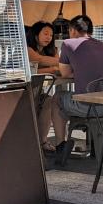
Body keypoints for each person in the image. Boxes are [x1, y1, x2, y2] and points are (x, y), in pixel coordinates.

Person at [57, 15, 103, 124]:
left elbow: (65, 74)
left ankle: (61, 140)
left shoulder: (68, 43)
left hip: (89, 106)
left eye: (69, 30)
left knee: (57, 99)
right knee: (69, 99)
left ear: (73, 30)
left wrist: (78, 71)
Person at [27, 21, 67, 152]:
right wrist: (53, 68)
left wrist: (52, 67)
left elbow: (59, 69)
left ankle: (42, 141)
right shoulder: (28, 49)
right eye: (45, 33)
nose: (48, 37)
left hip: (37, 92)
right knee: (46, 100)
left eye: (51, 35)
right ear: (35, 35)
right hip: (23, 92)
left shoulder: (52, 50)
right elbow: (37, 62)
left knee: (48, 101)